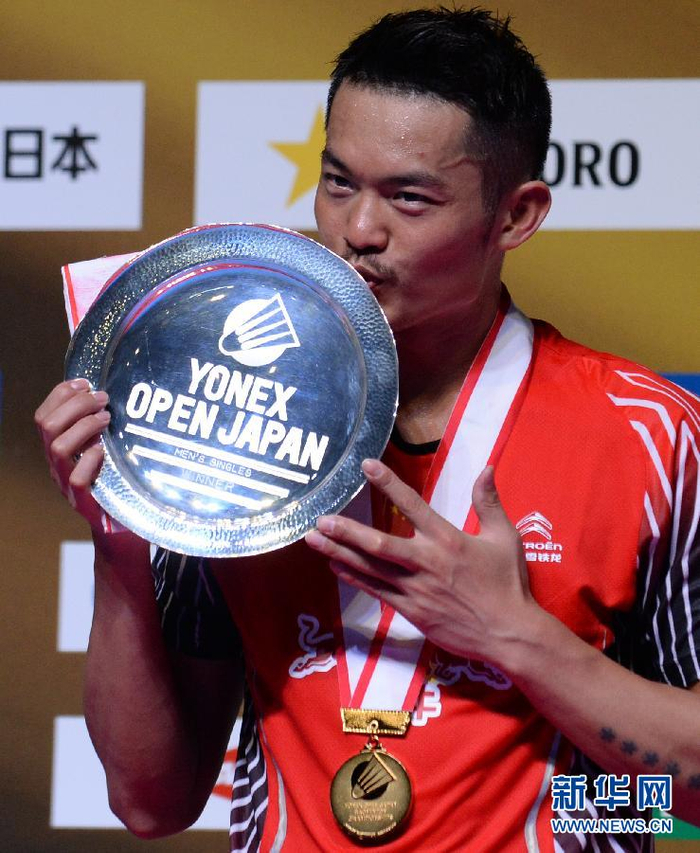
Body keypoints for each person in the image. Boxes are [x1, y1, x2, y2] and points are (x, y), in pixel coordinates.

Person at [35, 7, 700, 851]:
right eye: (339, 183)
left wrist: (521, 645)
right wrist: (121, 534)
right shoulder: (235, 422)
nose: (358, 231)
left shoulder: (650, 435)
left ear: (516, 215)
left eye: (409, 198)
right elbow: (152, 801)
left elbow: (687, 794)